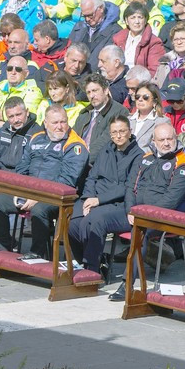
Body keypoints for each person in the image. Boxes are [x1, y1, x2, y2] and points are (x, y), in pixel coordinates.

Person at [0, 104, 88, 258]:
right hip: (29, 192)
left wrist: (38, 198)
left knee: (39, 210)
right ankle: (3, 251)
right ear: (46, 123)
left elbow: (66, 181)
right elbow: (22, 168)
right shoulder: (36, 138)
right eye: (55, 123)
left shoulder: (75, 145)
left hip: (58, 196)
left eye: (63, 122)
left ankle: (37, 253)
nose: (60, 127)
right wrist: (20, 192)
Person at [109, 122, 185, 301]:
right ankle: (92, 270)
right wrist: (130, 211)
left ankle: (127, 283)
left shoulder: (183, 165)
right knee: (98, 217)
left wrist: (142, 215)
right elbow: (131, 186)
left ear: (176, 138)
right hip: (136, 213)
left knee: (141, 233)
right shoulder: (146, 157)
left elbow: (170, 201)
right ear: (153, 141)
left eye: (169, 139)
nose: (166, 143)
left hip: (164, 218)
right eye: (161, 139)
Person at [68, 115, 143, 277]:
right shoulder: (106, 150)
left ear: (130, 132)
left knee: (94, 221)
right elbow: (92, 177)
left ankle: (92, 268)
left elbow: (128, 187)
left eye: (122, 131)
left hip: (119, 204)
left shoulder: (138, 156)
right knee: (71, 222)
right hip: (94, 198)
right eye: (114, 132)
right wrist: (87, 198)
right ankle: (85, 261)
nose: (118, 136)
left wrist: (99, 200)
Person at [73, 73, 130, 164]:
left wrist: (80, 160)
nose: (91, 96)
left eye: (95, 90)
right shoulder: (84, 113)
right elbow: (73, 137)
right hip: (77, 160)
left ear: (106, 90)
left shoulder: (119, 112)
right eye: (88, 92)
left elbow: (104, 143)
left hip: (97, 164)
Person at [68, 0, 122, 71]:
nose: (87, 19)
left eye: (90, 15)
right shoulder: (79, 27)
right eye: (84, 16)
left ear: (101, 8)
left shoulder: (115, 31)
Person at [112, 2, 164, 75]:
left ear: (145, 20)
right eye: (133, 17)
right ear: (126, 21)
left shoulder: (154, 42)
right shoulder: (118, 39)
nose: (137, 22)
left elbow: (155, 71)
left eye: (140, 17)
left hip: (141, 82)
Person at [128, 83, 171, 152]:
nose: (140, 99)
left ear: (154, 101)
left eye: (145, 97)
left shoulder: (162, 122)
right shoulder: (128, 120)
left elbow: (159, 148)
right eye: (137, 97)